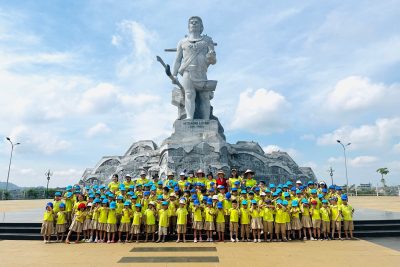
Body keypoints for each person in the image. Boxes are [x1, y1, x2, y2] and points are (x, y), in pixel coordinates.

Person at [172, 16, 217, 120]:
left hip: (201, 72)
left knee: (205, 97)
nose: (194, 23)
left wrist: (211, 57)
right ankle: (189, 117)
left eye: (196, 22)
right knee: (189, 94)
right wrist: (174, 75)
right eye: (191, 22)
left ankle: (206, 121)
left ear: (201, 26)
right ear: (188, 26)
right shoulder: (182, 42)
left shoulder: (207, 40)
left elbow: (213, 61)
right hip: (188, 72)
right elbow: (178, 59)